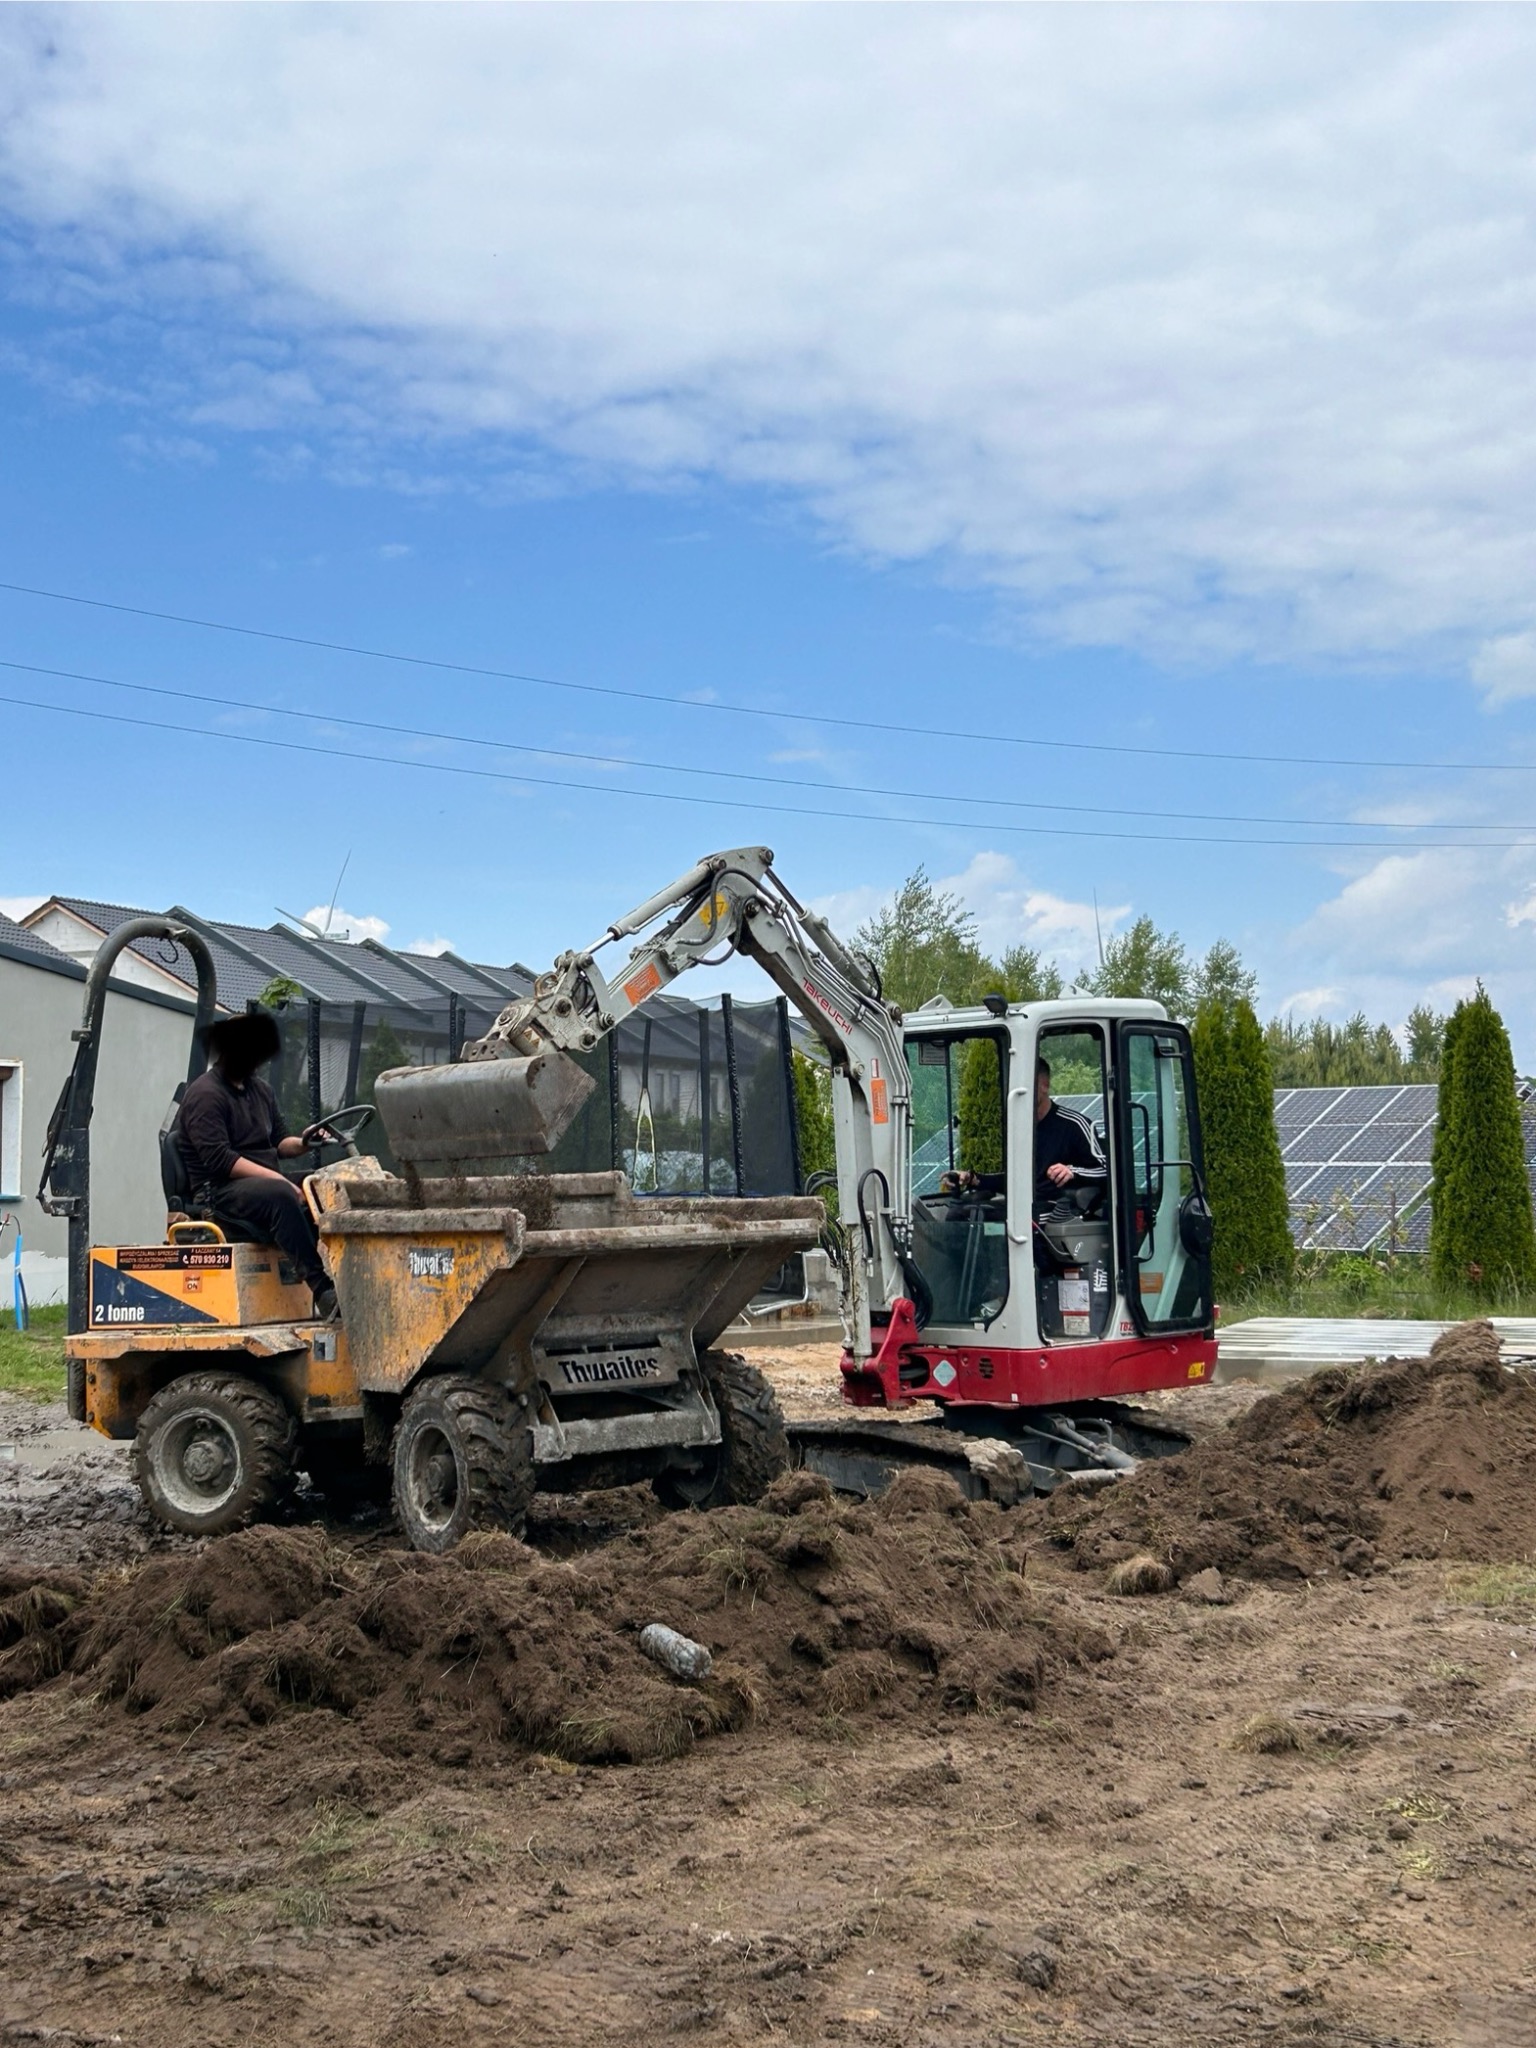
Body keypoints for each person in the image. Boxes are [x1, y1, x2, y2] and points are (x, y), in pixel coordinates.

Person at [176, 1013, 337, 1317]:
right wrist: (280, 1182)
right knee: (282, 1195)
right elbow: (221, 1160)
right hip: (219, 1192)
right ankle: (323, 1290)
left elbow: (279, 1143)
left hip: (259, 1184)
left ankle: (344, 1274)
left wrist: (305, 1141)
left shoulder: (260, 1091)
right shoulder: (205, 1095)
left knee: (324, 1185)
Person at [1032, 1054, 1106, 1206]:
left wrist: (1072, 1171)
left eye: (1028, 1084)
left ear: (1045, 1085)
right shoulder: (1016, 1128)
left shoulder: (1075, 1124)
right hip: (1020, 1207)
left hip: (1059, 1211)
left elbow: (1106, 1170)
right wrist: (980, 1179)